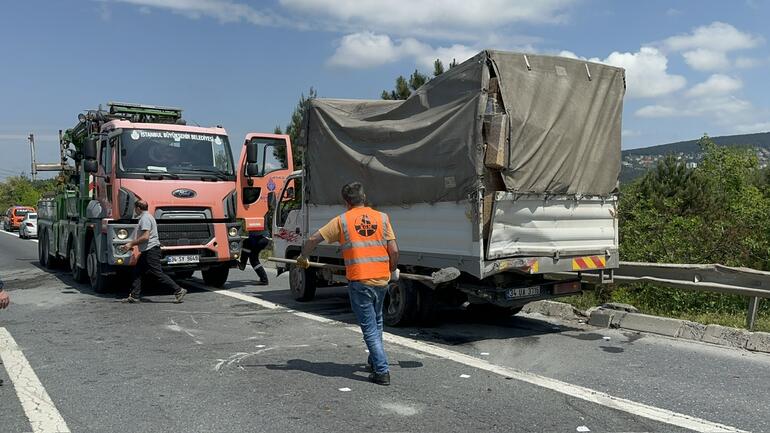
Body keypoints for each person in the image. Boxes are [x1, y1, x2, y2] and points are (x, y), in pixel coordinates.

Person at [297, 182, 399, 386]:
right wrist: (391, 269)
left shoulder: (342, 221)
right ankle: (374, 361)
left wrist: (303, 257)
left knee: (370, 327)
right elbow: (394, 250)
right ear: (364, 196)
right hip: (382, 280)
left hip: (360, 281)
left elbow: (313, 239)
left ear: (345, 202)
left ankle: (382, 370)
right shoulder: (382, 218)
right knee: (377, 322)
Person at [118, 200, 187, 303]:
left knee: (158, 274)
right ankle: (134, 296)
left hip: (151, 251)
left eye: (135, 208)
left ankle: (178, 290)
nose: (134, 210)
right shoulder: (148, 217)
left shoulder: (144, 219)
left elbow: (145, 237)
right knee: (137, 272)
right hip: (148, 250)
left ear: (138, 208)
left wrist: (131, 244)